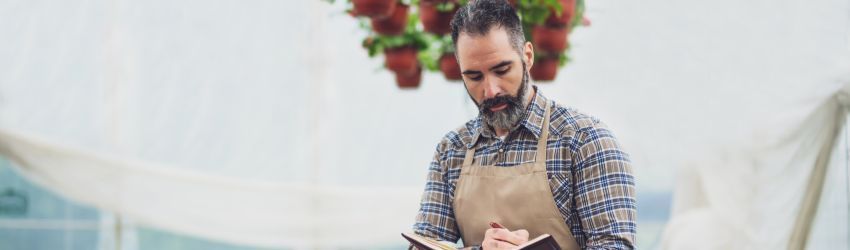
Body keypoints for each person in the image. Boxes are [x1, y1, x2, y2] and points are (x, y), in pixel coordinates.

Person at [411, 0, 636, 249]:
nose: (490, 90)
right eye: (474, 76)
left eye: (502, 70)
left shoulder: (586, 140)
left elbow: (615, 246)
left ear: (527, 56)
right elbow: (423, 244)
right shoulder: (451, 150)